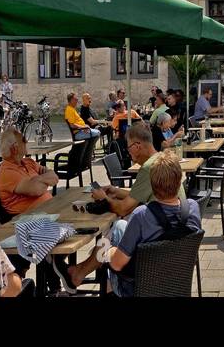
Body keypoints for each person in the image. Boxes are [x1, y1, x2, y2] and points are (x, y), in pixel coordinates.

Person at [56, 121, 184, 290]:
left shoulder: (149, 168)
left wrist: (104, 198)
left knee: (115, 231)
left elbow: (124, 208)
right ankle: (79, 271)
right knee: (112, 234)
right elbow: (143, 196)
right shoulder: (162, 164)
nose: (127, 150)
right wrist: (116, 191)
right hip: (172, 252)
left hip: (151, 260)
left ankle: (79, 273)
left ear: (137, 146)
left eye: (128, 146)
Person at [99, 150, 202, 297]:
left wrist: (108, 251)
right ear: (179, 181)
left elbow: (117, 264)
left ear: (151, 186)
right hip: (177, 282)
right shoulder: (192, 208)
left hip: (140, 288)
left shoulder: (141, 215)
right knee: (119, 227)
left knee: (106, 253)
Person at [0, 128, 58, 217]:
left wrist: (37, 179)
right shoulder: (7, 173)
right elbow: (36, 190)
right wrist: (44, 179)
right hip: (27, 219)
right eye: (23, 140)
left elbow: (54, 177)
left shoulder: (29, 162)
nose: (27, 142)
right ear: (14, 148)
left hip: (45, 212)